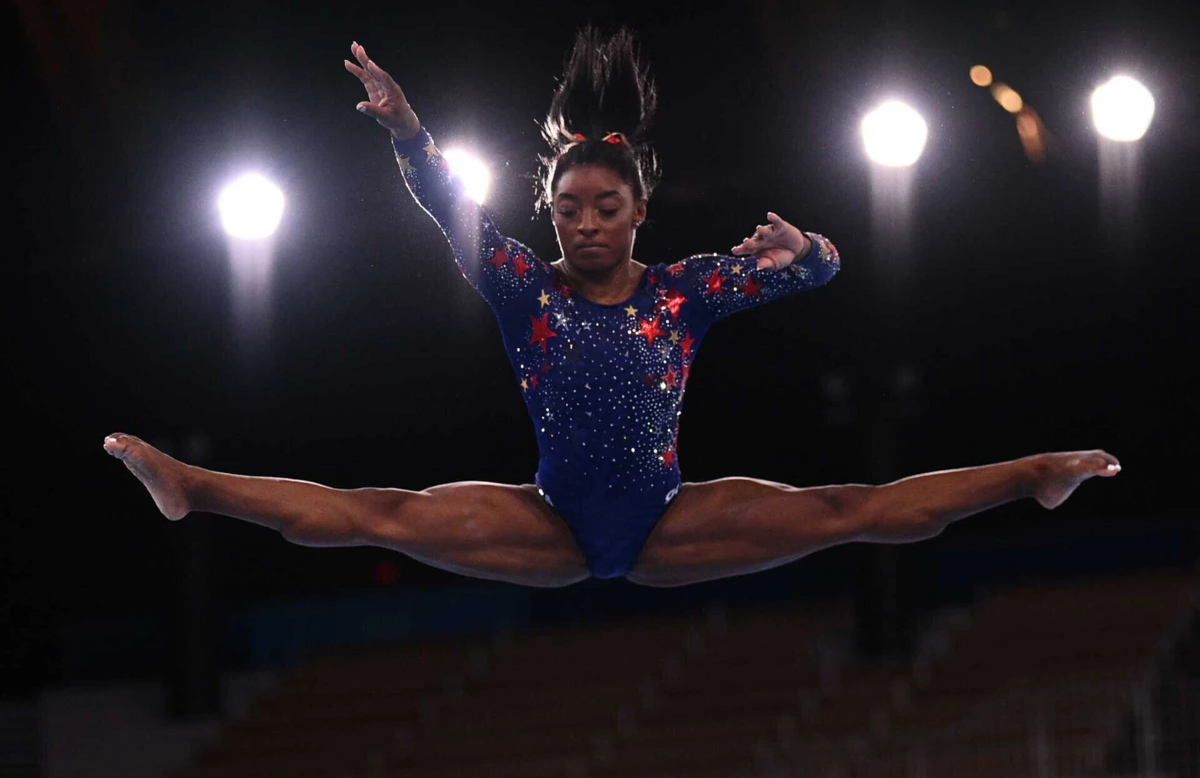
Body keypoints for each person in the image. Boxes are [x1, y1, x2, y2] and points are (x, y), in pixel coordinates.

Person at [104, 29, 1120, 589]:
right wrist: (408, 131)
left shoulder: (685, 290)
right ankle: (192, 486)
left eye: (604, 208)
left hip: (671, 522)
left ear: (639, 212)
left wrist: (806, 248)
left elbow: (823, 274)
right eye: (567, 210)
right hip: (546, 522)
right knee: (381, 513)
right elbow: (447, 205)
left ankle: (1032, 474)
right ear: (550, 214)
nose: (584, 224)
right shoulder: (522, 287)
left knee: (847, 509)